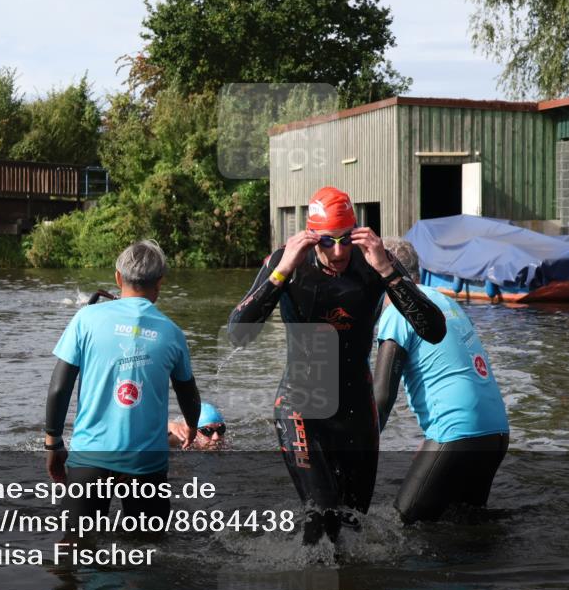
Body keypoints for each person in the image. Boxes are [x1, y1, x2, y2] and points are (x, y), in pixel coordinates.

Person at [227, 186, 446, 545]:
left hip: (356, 409)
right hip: (301, 405)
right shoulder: (288, 262)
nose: (340, 251)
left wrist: (387, 271)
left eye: (346, 239)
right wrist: (281, 273)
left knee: (353, 524)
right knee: (322, 513)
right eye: (328, 242)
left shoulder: (375, 260)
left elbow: (434, 330)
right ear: (312, 237)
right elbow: (239, 333)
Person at [44, 240, 201, 536]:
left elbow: (59, 387)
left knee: (74, 550)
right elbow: (187, 392)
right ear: (160, 282)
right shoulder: (172, 332)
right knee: (149, 553)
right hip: (147, 464)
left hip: (91, 458)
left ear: (118, 277)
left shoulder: (86, 319)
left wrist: (53, 442)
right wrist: (192, 425)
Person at [374, 237, 509, 524]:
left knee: (403, 524)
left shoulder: (399, 311)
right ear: (418, 274)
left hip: (458, 431)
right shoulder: (447, 302)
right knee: (466, 526)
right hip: (496, 431)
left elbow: (382, 398)